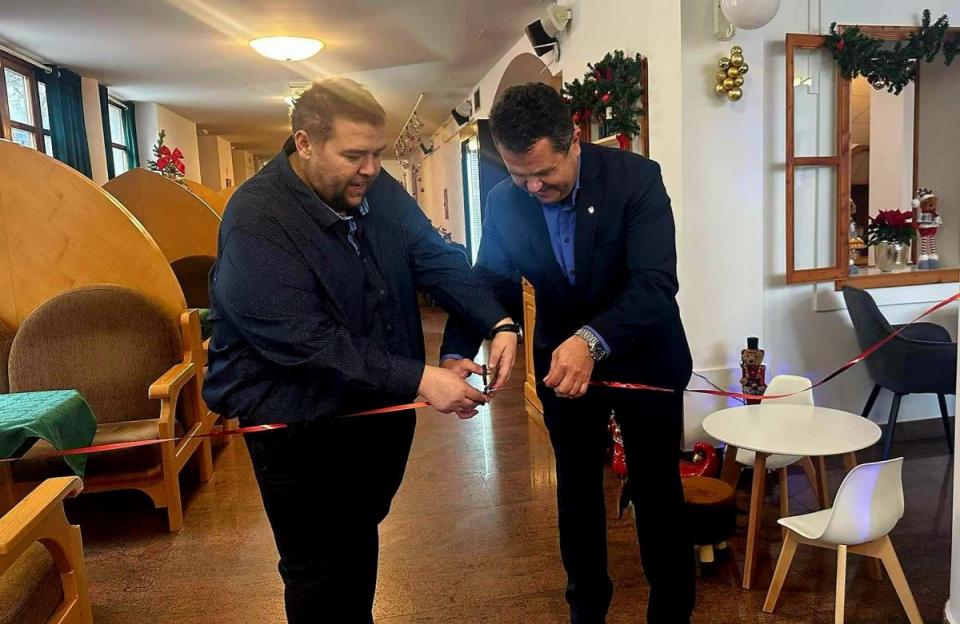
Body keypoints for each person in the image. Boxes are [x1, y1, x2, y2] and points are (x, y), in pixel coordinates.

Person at [202, 77, 519, 623]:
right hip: (299, 431)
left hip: (373, 413)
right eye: (353, 155)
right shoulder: (257, 217)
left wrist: (498, 319)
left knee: (356, 546)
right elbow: (305, 338)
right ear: (304, 143)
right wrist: (422, 378)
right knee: (318, 570)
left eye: (376, 153)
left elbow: (433, 255)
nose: (370, 169)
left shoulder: (374, 185)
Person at [441, 82, 695, 624]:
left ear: (573, 139)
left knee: (656, 490)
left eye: (544, 172)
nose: (533, 187)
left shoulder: (636, 179)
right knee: (576, 490)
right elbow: (490, 281)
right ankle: (586, 608)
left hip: (645, 357)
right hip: (561, 367)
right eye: (519, 174)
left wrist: (592, 340)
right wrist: (458, 351)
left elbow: (655, 282)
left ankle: (671, 611)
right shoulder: (504, 200)